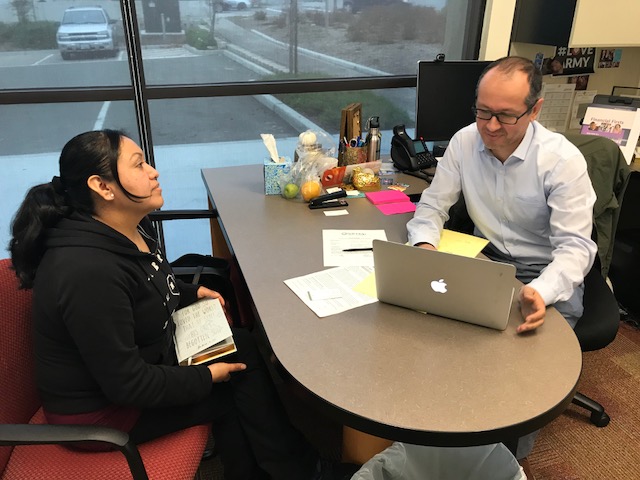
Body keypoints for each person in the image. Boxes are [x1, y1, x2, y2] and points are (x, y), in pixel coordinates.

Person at [9, 129, 357, 480]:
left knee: (244, 346)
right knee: (231, 391)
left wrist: (191, 293)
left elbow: (148, 282)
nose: (153, 171)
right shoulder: (86, 272)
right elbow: (127, 385)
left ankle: (289, 469)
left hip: (143, 360)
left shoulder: (126, 228)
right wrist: (206, 375)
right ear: (103, 186)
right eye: (139, 164)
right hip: (102, 414)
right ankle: (302, 472)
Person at [406, 56, 598, 457]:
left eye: (506, 116)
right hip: (487, 260)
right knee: (432, 332)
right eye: (483, 112)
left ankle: (507, 459)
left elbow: (576, 249)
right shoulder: (463, 142)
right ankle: (438, 431)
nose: (490, 127)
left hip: (547, 274)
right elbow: (431, 208)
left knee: (523, 369)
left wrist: (541, 291)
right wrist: (425, 248)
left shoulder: (561, 161)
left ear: (535, 109)